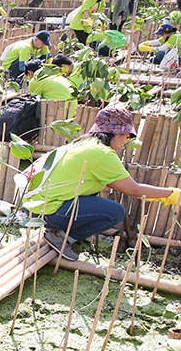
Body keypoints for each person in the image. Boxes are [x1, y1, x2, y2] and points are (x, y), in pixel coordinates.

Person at [21, 106, 179, 261]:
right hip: (45, 211)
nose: (127, 141)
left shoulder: (85, 143)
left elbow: (119, 184)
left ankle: (58, 229)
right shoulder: (102, 153)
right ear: (117, 133)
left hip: (33, 206)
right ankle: (59, 236)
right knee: (115, 213)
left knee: (93, 195)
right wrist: (172, 194)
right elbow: (134, 190)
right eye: (128, 136)